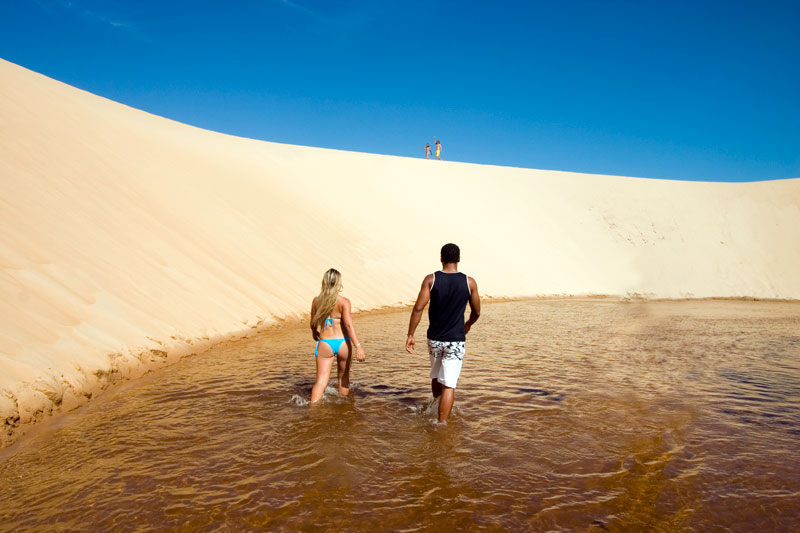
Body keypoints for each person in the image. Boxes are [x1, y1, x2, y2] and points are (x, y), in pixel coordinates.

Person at [406, 243, 480, 422]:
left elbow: (418, 308)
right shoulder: (468, 282)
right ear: (459, 259)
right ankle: (441, 425)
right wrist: (468, 324)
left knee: (436, 375)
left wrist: (410, 334)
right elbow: (477, 311)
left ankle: (435, 407)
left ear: (441, 258)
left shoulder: (431, 280)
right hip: (455, 340)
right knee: (449, 384)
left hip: (434, 339)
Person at [310, 268, 366, 402]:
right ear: (339, 283)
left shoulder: (317, 301)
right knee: (343, 379)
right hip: (343, 343)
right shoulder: (343, 302)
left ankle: (312, 411)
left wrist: (314, 332)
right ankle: (343, 411)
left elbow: (312, 322)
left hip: (325, 343)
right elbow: (348, 325)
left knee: (321, 382)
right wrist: (358, 346)